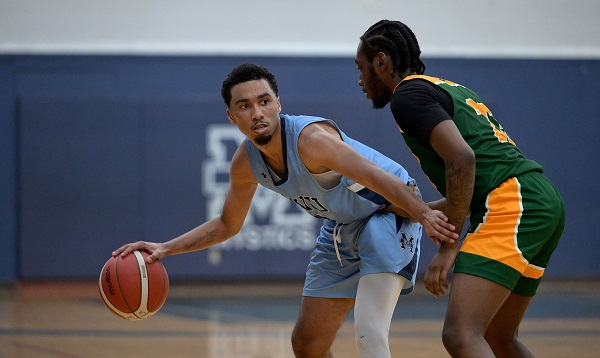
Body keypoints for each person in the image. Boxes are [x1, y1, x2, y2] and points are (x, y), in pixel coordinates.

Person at [113, 63, 457, 357]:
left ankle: (467, 203)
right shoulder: (245, 164)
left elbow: (381, 181)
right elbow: (226, 225)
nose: (257, 112)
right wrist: (165, 248)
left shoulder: (312, 141)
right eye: (244, 106)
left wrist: (423, 214)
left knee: (369, 332)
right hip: (341, 226)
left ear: (278, 103)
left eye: (264, 101)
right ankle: (465, 204)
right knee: (307, 344)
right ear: (232, 117)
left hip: (387, 212)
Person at [354, 20, 566, 358]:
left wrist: (450, 246)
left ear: (382, 62)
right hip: (538, 200)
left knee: (460, 335)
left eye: (362, 68)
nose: (360, 80)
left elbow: (463, 162)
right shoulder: (450, 87)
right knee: (499, 338)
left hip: (512, 203)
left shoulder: (407, 96)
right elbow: (467, 187)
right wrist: (415, 209)